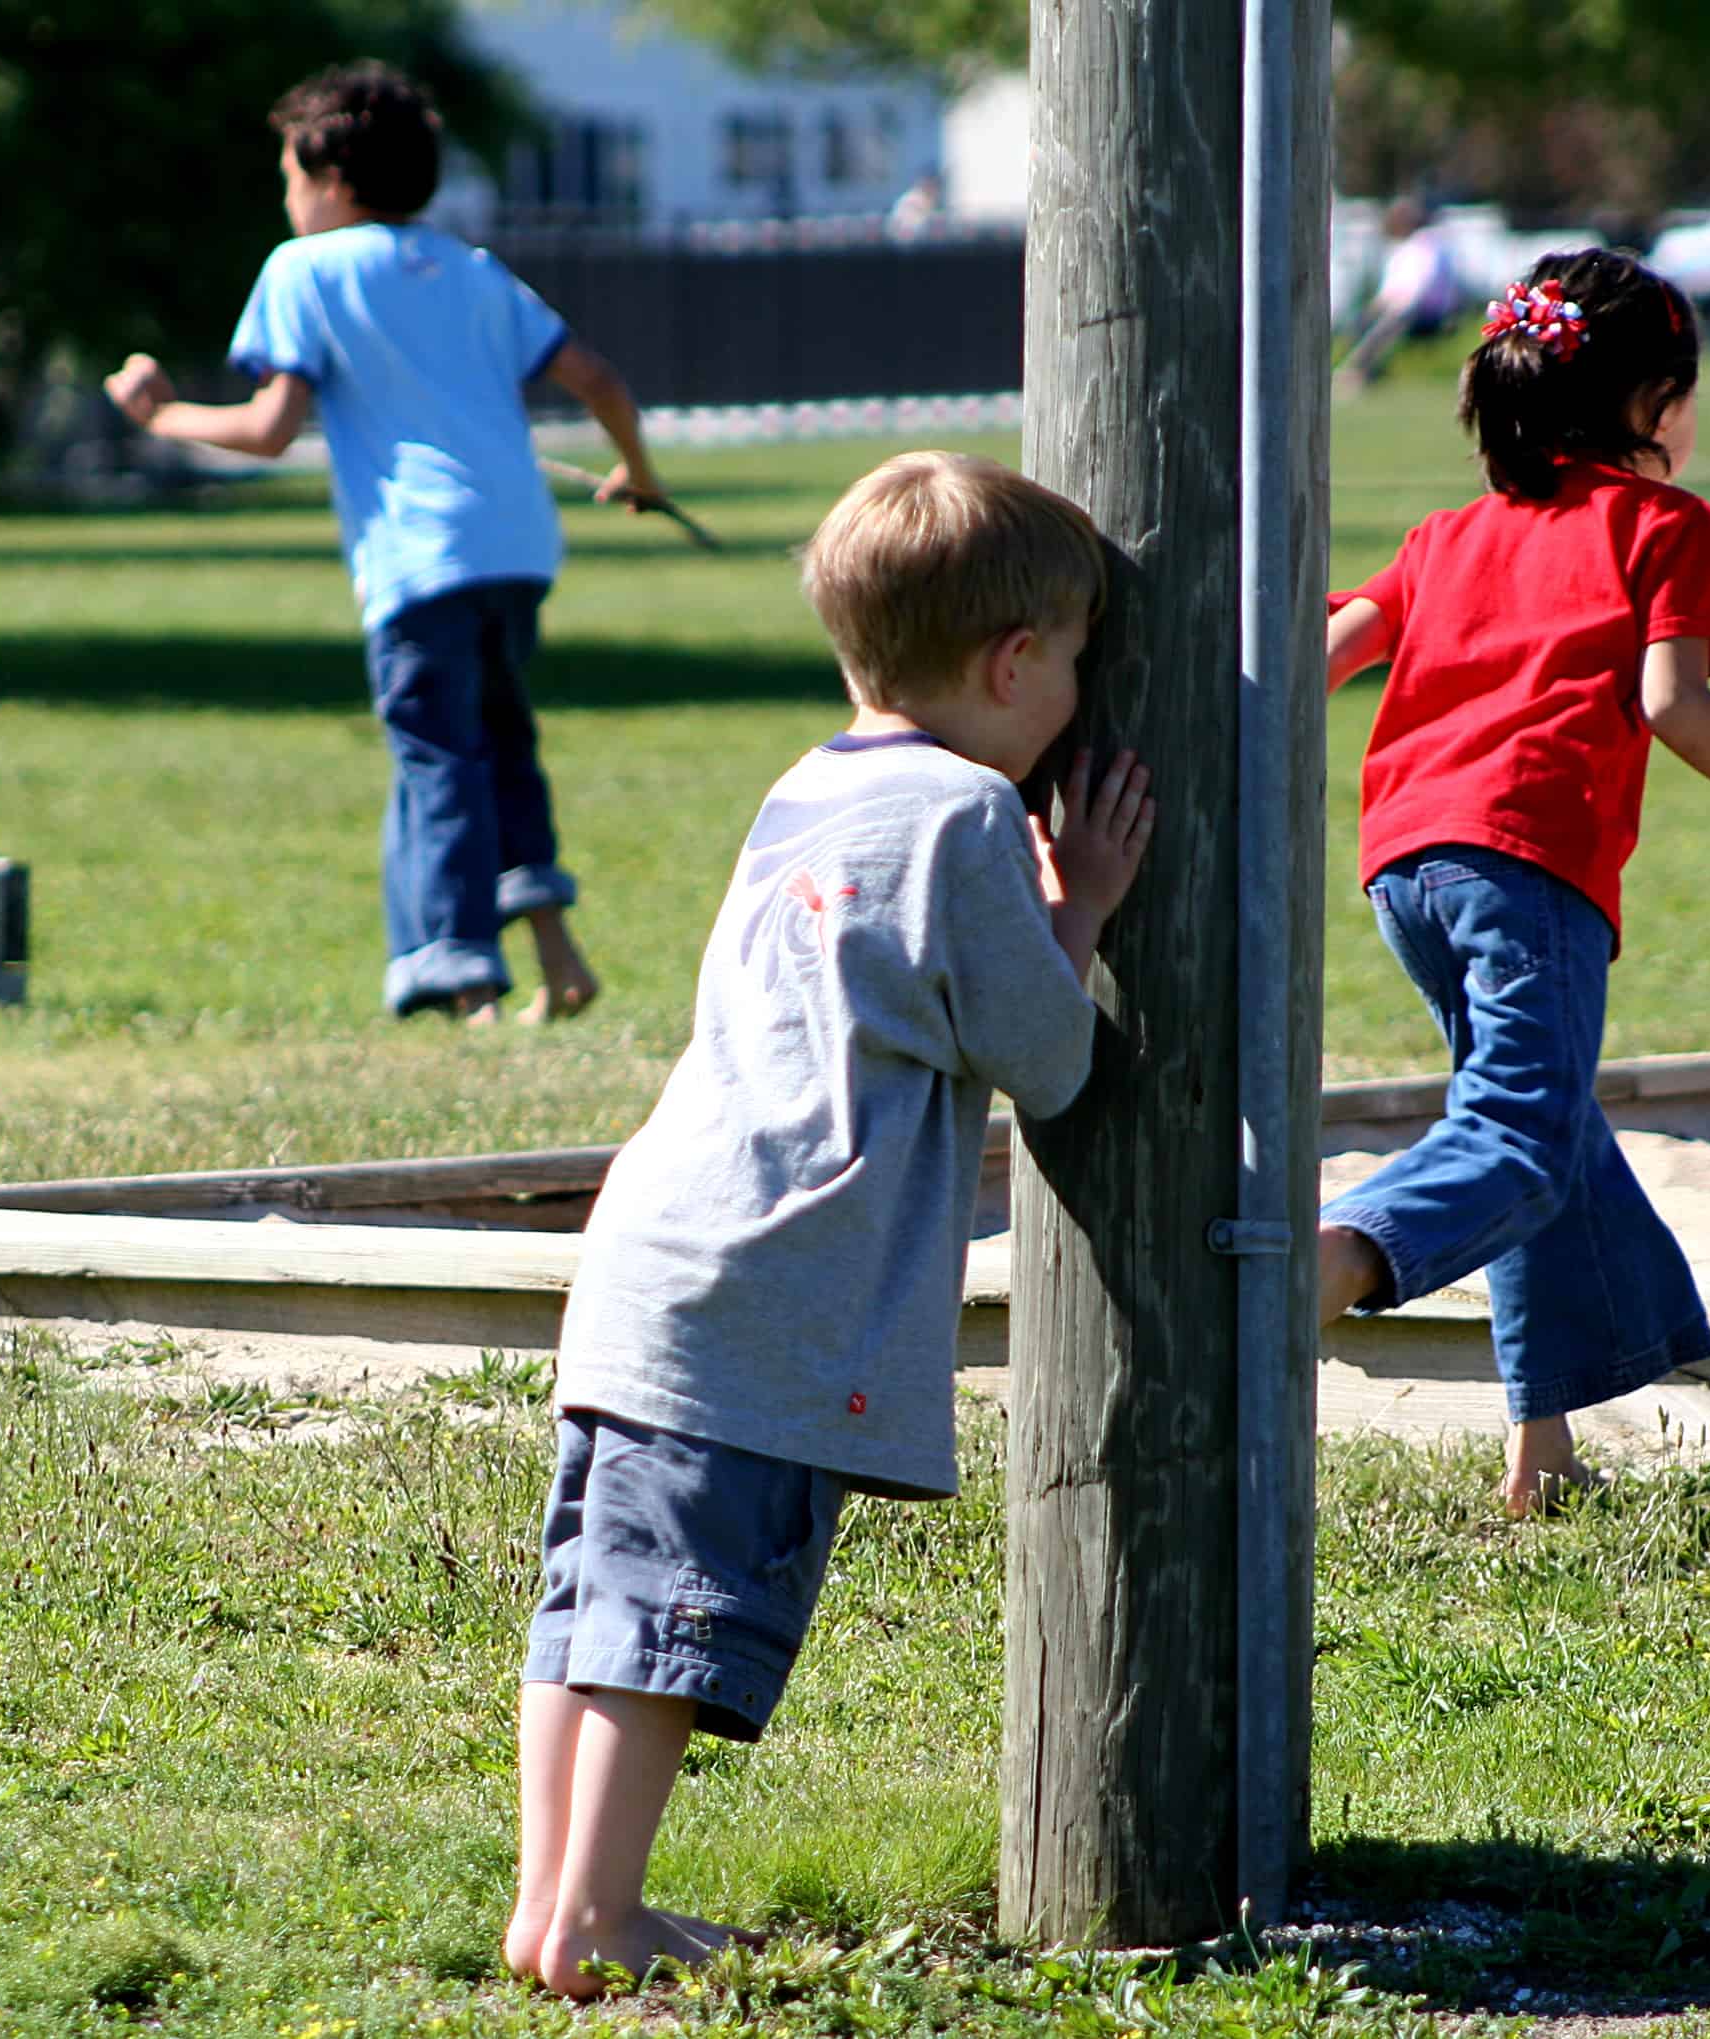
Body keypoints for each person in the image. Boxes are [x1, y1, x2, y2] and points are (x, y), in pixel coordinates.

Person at [505, 452, 1159, 1998]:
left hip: (655, 1253)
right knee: (668, 1614)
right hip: (764, 1282)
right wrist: (1079, 912)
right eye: (1070, 660)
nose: (1076, 689)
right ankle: (594, 1917)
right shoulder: (964, 821)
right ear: (1013, 662)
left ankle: (555, 1905)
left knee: (591, 1603)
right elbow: (1045, 1055)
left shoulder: (809, 783)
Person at [1316, 249, 1710, 1517]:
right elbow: (1672, 701)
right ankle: (1312, 1268)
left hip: (1404, 867)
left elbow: (1317, 653)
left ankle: (1537, 1451)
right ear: (1652, 402)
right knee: (1515, 1133)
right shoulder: (1666, 529)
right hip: (1526, 863)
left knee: (1543, 1134)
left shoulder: (1444, 536)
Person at [105, 63, 665, 1024]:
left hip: (418, 557)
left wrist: (162, 420)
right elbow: (599, 378)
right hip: (515, 548)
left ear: (331, 180)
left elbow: (271, 428)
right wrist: (638, 474)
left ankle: (464, 982)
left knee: (436, 757)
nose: (286, 199)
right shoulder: (471, 269)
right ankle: (557, 958)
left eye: (288, 177)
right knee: (499, 745)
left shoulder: (303, 270)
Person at [1339, 198, 1461, 389]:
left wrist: (1396, 304)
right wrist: (1375, 307)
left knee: (1394, 320)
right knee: (1363, 320)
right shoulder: (1402, 248)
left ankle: (1355, 372)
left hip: (1426, 312)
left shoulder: (1427, 245)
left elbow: (1420, 288)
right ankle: (1368, 371)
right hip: (1399, 307)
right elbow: (1390, 289)